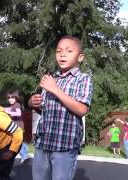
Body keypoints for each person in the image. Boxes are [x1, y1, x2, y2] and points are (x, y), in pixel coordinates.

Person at [28, 35, 93, 180]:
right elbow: (45, 109)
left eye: (69, 51)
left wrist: (55, 89)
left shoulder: (83, 79)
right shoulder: (51, 78)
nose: (63, 54)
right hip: (43, 143)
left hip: (65, 146)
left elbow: (82, 109)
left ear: (80, 57)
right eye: (59, 51)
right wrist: (33, 103)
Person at [4, 89, 29, 163]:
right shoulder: (12, 106)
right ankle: (25, 152)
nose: (10, 99)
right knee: (20, 141)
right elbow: (9, 109)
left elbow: (18, 113)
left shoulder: (17, 105)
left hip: (19, 127)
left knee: (18, 141)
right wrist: (4, 109)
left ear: (16, 98)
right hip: (16, 127)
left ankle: (24, 156)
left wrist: (8, 111)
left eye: (12, 97)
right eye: (8, 98)